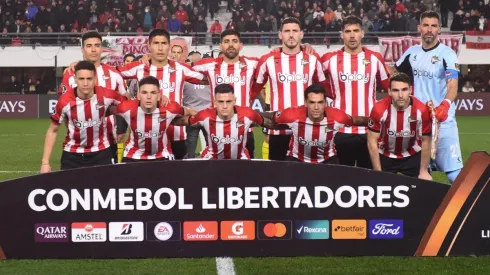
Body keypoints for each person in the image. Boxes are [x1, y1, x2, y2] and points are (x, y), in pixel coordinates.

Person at [392, 11, 462, 183]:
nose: (429, 29)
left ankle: (470, 207)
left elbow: (453, 84)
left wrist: (445, 104)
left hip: (443, 122)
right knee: (421, 174)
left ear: (439, 29)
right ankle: (428, 209)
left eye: (433, 26)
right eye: (426, 25)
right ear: (419, 28)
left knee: (455, 174)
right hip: (418, 124)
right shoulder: (412, 53)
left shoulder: (448, 54)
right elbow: (395, 72)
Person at [117, 28, 206, 160]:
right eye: (156, 43)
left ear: (169, 46)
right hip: (146, 135)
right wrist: (76, 66)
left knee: (175, 178)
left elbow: (209, 78)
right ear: (149, 46)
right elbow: (108, 74)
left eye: (163, 43)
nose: (160, 48)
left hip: (176, 132)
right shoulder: (139, 67)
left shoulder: (180, 68)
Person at [252, 17, 327, 161]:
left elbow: (324, 89)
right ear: (280, 34)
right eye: (287, 31)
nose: (291, 35)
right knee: (278, 178)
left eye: (295, 31)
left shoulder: (313, 59)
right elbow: (255, 89)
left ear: (302, 34)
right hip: (278, 130)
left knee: (307, 177)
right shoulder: (268, 60)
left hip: (307, 129)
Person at [321, 15, 390, 169]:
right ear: (341, 34)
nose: (352, 35)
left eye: (356, 31)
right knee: (342, 180)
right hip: (340, 131)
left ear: (362, 33)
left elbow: (390, 88)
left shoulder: (375, 58)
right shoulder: (329, 59)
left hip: (370, 131)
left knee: (369, 180)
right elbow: (313, 77)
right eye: (347, 31)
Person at [40, 61, 125, 173]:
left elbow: (130, 107)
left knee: (104, 189)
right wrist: (45, 162)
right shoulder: (65, 101)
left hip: (101, 153)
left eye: (89, 79)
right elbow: (53, 130)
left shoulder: (108, 95)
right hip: (72, 155)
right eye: (81, 79)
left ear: (95, 79)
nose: (85, 83)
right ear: (75, 79)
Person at [60, 31, 128, 164]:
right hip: (78, 144)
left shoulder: (114, 74)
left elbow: (125, 104)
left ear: (102, 49)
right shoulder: (70, 75)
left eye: (97, 45)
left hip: (109, 140)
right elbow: (64, 108)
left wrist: (121, 129)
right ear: (82, 50)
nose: (93, 49)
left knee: (104, 182)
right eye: (89, 45)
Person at [260, 84, 368, 164]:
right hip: (297, 159)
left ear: (326, 103)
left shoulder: (338, 117)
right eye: (312, 102)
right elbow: (270, 117)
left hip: (327, 160)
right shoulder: (292, 115)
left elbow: (358, 120)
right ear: (306, 103)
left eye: (320, 102)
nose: (316, 107)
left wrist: (378, 123)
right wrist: (253, 119)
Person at [193, 29, 259, 157]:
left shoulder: (252, 63)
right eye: (226, 41)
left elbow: (271, 62)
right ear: (220, 46)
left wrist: (304, 47)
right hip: (215, 128)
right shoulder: (209, 65)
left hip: (245, 127)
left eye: (234, 41)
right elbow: (184, 69)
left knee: (248, 171)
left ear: (241, 45)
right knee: (215, 170)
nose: (230, 45)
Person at [367, 73, 432, 180]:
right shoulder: (379, 109)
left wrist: (423, 171)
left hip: (412, 154)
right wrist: (378, 173)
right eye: (396, 90)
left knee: (425, 185)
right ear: (389, 92)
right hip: (385, 154)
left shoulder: (421, 110)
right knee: (377, 188)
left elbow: (426, 141)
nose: (400, 95)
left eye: (404, 90)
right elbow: (371, 141)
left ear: (411, 90)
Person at [115, 76, 195, 162]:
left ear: (159, 96)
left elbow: (189, 112)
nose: (149, 97)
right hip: (133, 155)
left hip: (162, 155)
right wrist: (120, 130)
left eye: (153, 93)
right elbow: (107, 109)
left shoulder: (170, 108)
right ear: (138, 96)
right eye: (144, 92)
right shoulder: (126, 108)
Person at [181, 84, 264, 160]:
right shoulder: (205, 116)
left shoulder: (247, 114)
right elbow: (181, 121)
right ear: (215, 101)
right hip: (212, 160)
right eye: (220, 102)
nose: (224, 106)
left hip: (240, 160)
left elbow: (268, 122)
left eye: (228, 101)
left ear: (234, 100)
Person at [182, 53, 212, 158]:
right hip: (196, 117)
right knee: (210, 147)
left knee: (193, 147)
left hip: (200, 116)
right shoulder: (210, 78)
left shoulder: (186, 78)